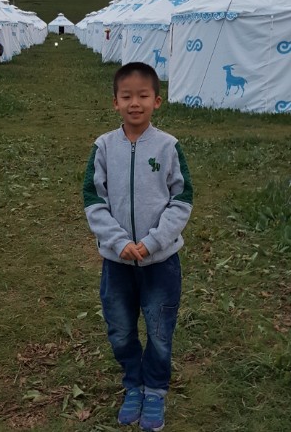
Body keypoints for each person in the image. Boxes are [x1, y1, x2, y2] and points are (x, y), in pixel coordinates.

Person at [83, 62, 193, 431]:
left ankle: (155, 390)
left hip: (160, 263)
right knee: (120, 329)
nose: (135, 103)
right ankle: (134, 384)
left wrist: (152, 242)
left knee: (159, 331)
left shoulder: (168, 147)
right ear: (114, 102)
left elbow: (182, 200)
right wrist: (118, 242)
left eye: (143, 96)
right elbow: (93, 200)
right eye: (126, 96)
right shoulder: (104, 147)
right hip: (117, 263)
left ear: (156, 101)